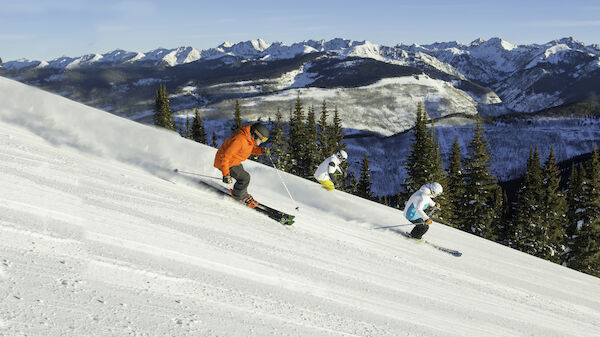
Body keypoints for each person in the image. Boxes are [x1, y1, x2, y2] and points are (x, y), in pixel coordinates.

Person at [214, 122, 270, 208]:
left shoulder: (248, 139)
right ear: (255, 135)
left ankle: (242, 193)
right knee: (245, 177)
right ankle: (238, 196)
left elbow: (249, 149)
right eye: (261, 139)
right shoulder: (239, 140)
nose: (261, 142)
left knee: (243, 175)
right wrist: (226, 174)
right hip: (225, 163)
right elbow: (225, 156)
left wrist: (261, 151)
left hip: (234, 162)